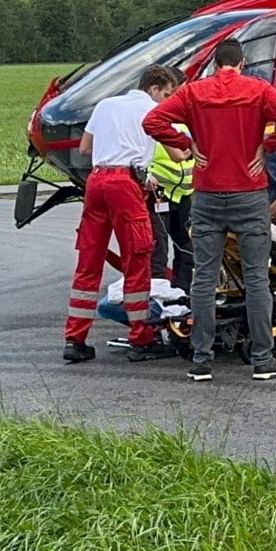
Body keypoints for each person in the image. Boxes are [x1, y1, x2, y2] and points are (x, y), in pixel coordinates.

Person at [143, 38, 276, 382]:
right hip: (249, 192)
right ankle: (262, 358)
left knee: (204, 277)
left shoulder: (193, 93)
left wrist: (187, 144)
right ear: (242, 63)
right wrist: (267, 146)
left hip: (207, 194)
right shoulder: (258, 90)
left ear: (215, 63)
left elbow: (153, 122)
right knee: (256, 277)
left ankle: (201, 359)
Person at [64, 65, 181, 365]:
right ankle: (141, 339)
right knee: (137, 261)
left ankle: (75, 339)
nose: (167, 101)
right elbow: (179, 153)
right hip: (126, 187)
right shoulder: (153, 112)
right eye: (167, 94)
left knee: (88, 263)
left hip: (97, 182)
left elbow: (85, 148)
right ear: (154, 88)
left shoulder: (105, 105)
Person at [146, 67, 194, 288]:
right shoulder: (158, 118)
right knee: (159, 248)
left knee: (187, 247)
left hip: (185, 193)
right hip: (160, 192)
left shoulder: (185, 119)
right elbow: (178, 155)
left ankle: (181, 292)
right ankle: (158, 294)